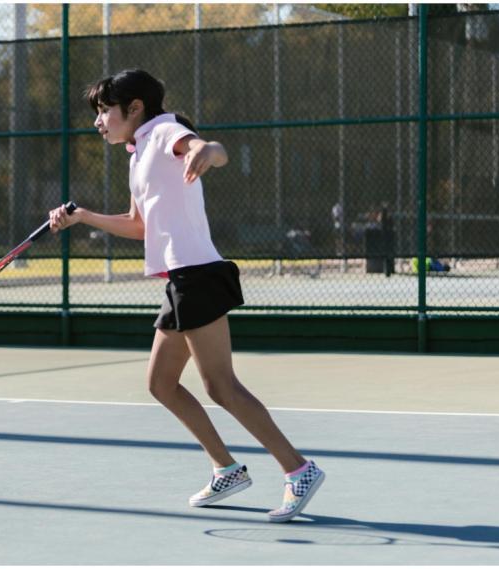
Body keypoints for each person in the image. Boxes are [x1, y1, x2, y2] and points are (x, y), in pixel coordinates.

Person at [48, 69, 324, 523]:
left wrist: (206, 152)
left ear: (134, 107)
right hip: (181, 278)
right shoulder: (137, 155)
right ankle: (226, 468)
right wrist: (84, 217)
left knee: (221, 386)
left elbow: (206, 148)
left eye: (103, 111)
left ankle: (299, 469)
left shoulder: (162, 131)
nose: (98, 122)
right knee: (160, 384)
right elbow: (139, 225)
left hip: (197, 275)